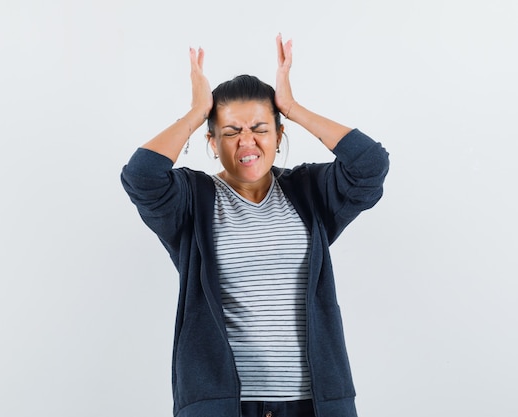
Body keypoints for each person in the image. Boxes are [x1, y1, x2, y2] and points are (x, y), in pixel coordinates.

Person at [120, 34, 389, 417]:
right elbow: (142, 176)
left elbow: (369, 166)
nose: (247, 141)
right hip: (221, 404)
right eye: (231, 132)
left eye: (260, 128)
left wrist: (292, 108)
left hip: (315, 403)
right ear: (212, 142)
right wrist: (197, 112)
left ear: (279, 136)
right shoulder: (192, 199)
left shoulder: (308, 191)